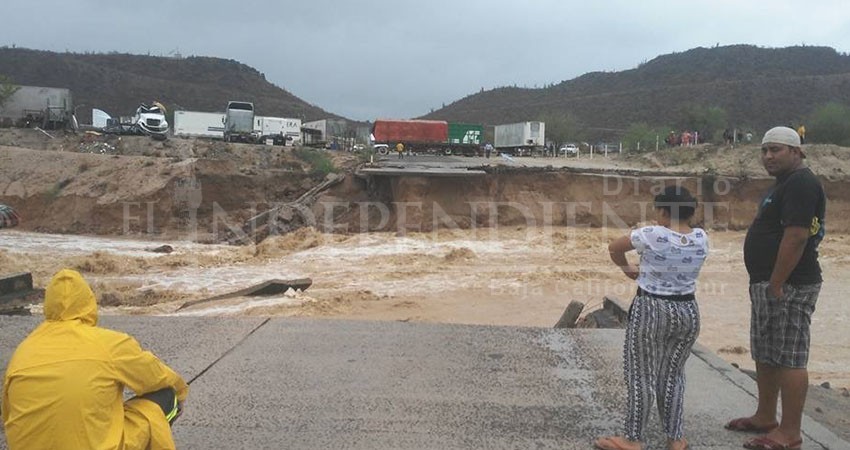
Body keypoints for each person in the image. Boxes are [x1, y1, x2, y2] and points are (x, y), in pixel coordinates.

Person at [3, 269, 189, 450]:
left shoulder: (23, 351)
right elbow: (155, 377)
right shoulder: (108, 343)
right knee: (167, 396)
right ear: (88, 302)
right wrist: (180, 392)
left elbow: (7, 413)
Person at [726, 126, 825, 450]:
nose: (768, 156)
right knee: (767, 351)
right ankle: (766, 416)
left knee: (790, 357)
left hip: (790, 285)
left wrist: (778, 282)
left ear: (796, 152)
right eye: (765, 150)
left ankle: (790, 433)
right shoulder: (783, 185)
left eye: (776, 150)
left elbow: (796, 236)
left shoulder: (800, 182)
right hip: (770, 284)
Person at [595, 186, 709, 450]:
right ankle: (676, 438)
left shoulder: (651, 234)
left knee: (641, 374)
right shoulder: (702, 237)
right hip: (688, 310)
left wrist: (628, 269)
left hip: (651, 309)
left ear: (664, 212)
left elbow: (614, 248)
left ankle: (633, 439)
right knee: (674, 375)